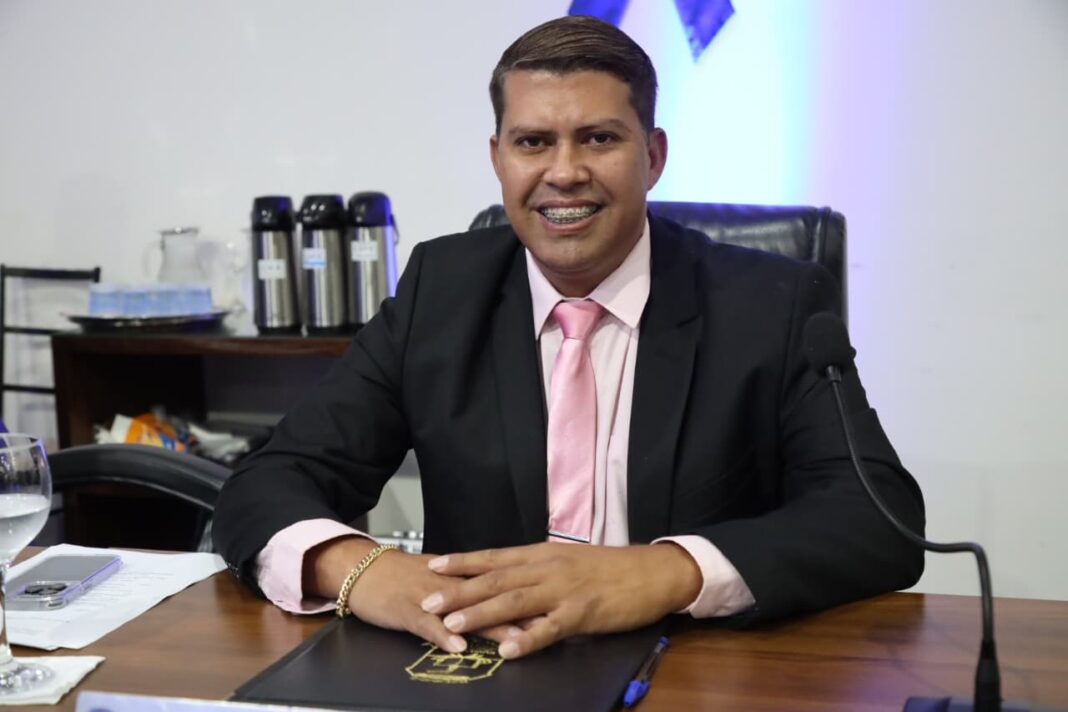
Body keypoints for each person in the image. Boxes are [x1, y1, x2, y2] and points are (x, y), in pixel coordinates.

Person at [213, 15, 924, 661]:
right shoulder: (442, 292)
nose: (564, 173)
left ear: (653, 155)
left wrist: (664, 572)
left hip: (695, 670)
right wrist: (366, 572)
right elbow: (268, 482)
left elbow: (878, 518)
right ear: (498, 158)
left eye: (599, 138)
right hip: (476, 670)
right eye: (533, 142)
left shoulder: (770, 304)